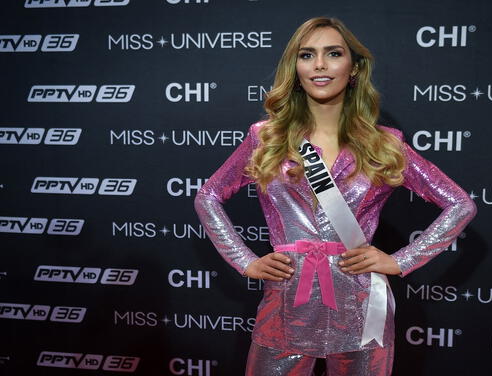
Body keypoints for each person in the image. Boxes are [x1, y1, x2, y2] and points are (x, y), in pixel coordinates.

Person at [194, 16, 476, 376]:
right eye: (307, 55)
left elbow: (460, 204)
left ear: (354, 67)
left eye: (333, 53)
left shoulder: (384, 144)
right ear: (295, 68)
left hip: (360, 303)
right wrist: (245, 260)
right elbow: (209, 196)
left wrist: (403, 260)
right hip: (286, 301)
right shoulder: (266, 138)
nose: (320, 65)